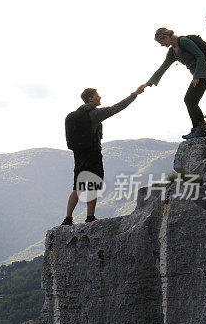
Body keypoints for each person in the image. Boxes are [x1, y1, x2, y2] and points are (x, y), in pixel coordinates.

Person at [61, 86, 144, 226]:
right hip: (93, 153)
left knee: (77, 187)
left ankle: (68, 219)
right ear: (90, 98)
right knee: (93, 184)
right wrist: (135, 94)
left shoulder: (77, 115)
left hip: (79, 155)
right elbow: (117, 108)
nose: (100, 97)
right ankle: (90, 217)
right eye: (97, 95)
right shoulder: (94, 114)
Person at [141, 28, 206, 139]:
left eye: (161, 42)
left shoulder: (183, 41)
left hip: (205, 73)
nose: (162, 45)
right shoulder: (172, 51)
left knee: (189, 100)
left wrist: (197, 75)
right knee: (191, 100)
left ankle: (200, 129)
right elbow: (163, 67)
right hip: (198, 75)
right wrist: (149, 83)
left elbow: (200, 55)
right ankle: (199, 128)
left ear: (165, 37)